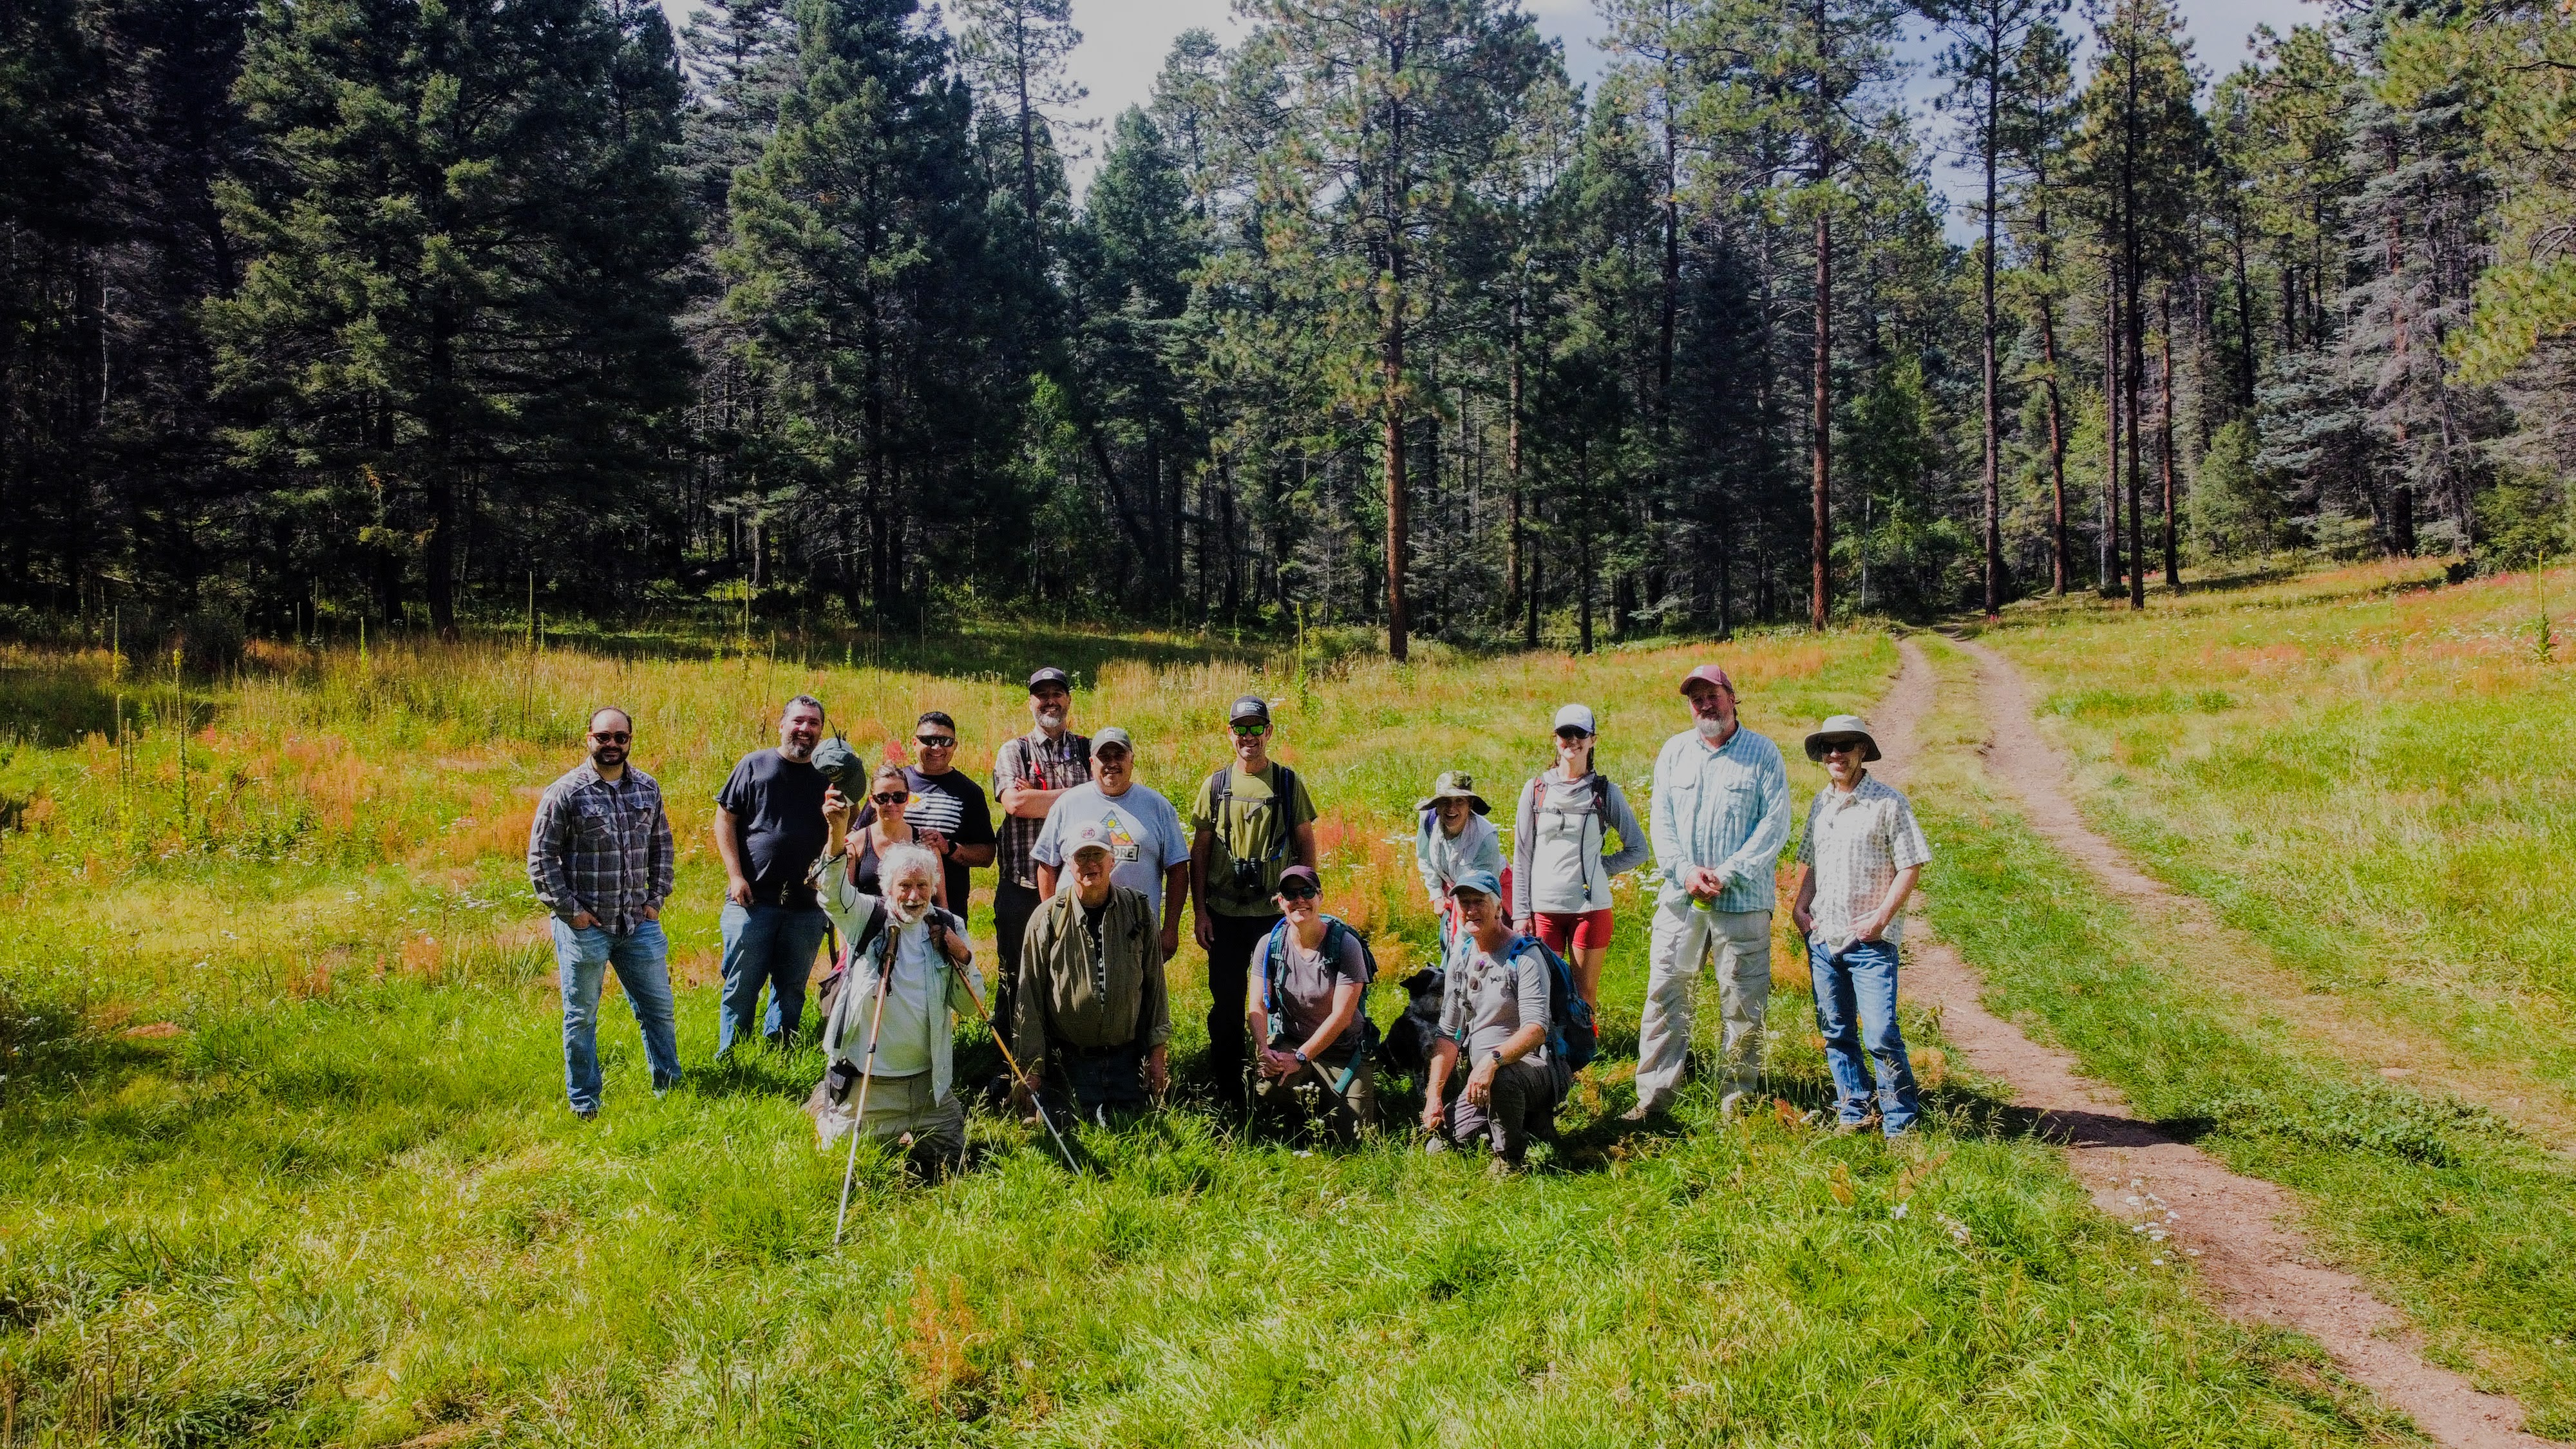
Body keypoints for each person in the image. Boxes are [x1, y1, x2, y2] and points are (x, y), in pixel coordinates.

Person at [1631, 665, 1792, 1121]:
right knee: (1666, 997)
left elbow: (1775, 825)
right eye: (1696, 698)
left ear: (1732, 697)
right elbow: (1661, 822)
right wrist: (1684, 872)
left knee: (1743, 1004)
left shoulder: (1763, 753)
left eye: (1713, 694)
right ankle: (1654, 1100)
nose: (1705, 704)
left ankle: (1735, 1104)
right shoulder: (1674, 752)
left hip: (1741, 904)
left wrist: (1728, 873)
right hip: (1680, 903)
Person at [527, 706, 680, 1120]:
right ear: (589, 738)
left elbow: (662, 847)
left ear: (630, 740)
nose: (612, 744)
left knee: (659, 1010)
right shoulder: (566, 792)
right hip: (586, 928)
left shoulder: (647, 788)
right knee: (581, 1018)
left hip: (638, 924)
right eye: (604, 737)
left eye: (620, 737)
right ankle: (585, 1102)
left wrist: (655, 901)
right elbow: (542, 858)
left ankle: (671, 1089)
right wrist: (571, 912)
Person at [1790, 714, 1933, 1138]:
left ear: (1863, 751)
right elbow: (1812, 861)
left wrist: (1881, 918)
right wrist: (1800, 907)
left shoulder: (1888, 803)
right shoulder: (1820, 804)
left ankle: (1900, 1122)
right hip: (1824, 938)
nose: (1836, 754)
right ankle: (1854, 1111)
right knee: (1836, 1031)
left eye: (1845, 746)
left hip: (1870, 941)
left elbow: (1911, 865)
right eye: (1828, 747)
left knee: (1882, 1033)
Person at [809, 842, 982, 1178]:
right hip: (869, 1085)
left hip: (928, 1089)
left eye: (922, 886)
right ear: (888, 887)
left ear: (933, 887)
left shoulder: (950, 925)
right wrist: (835, 834)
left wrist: (963, 956)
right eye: (905, 885)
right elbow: (832, 895)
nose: (914, 896)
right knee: (840, 1162)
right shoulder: (866, 918)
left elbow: (969, 1007)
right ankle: (824, 1103)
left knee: (955, 1161)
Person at [1190, 694, 1318, 1106]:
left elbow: (1305, 846)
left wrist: (1303, 906)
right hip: (1224, 915)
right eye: (1241, 729)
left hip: (1273, 916)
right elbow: (1199, 854)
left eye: (1256, 728)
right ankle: (1229, 1091)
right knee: (1227, 1004)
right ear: (1230, 734)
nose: (1249, 737)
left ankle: (1280, 1088)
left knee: (1280, 1001)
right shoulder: (1215, 786)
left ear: (1269, 732)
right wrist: (1200, 913)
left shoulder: (1287, 783)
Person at [1012, 822, 1171, 1124]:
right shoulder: (1046, 918)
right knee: (1067, 1129)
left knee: (1136, 1132)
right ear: (1068, 864)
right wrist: (1031, 1069)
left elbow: (1155, 987)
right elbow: (1028, 999)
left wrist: (1157, 1055)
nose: (1090, 864)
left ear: (1112, 860)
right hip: (1070, 1060)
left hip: (1127, 1059)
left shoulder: (1138, 911)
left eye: (1097, 855)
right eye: (1081, 856)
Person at [1421, 869, 1566, 1172]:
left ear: (1499, 907)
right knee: (1449, 1137)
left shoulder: (1525, 956)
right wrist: (1433, 1095)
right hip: (1482, 1076)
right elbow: (1448, 1034)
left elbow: (1536, 1029)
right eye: (1464, 902)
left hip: (1535, 1068)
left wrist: (1492, 1061)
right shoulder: (1461, 955)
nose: (1471, 910)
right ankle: (1526, 1121)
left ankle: (1509, 1160)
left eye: (1479, 902)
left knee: (1502, 1078)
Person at [713, 694, 833, 1057]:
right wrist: (735, 876)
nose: (805, 729)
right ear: (782, 725)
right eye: (798, 721)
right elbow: (725, 820)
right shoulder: (754, 765)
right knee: (742, 983)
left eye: (813, 723)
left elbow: (847, 828)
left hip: (808, 904)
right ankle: (733, 1055)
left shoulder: (829, 776)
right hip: (752, 899)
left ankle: (779, 1051)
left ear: (821, 731)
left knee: (791, 986)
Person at [1511, 703, 1647, 1008]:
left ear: (1593, 740)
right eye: (1565, 733)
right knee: (1541, 996)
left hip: (1591, 910)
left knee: (1584, 999)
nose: (1572, 740)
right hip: (1543, 911)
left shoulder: (1605, 792)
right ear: (1555, 739)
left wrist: (1599, 867)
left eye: (1580, 734)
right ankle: (1548, 1042)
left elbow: (1638, 850)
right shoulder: (1535, 790)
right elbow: (1522, 856)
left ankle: (1585, 1041)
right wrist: (1520, 914)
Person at [1032, 726, 1191, 961]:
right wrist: (1052, 921)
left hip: (1137, 931)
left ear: (1132, 760)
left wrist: (1170, 930)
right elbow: (1047, 864)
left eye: (1119, 755)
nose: (1112, 763)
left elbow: (1177, 869)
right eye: (1104, 757)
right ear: (1091, 763)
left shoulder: (1157, 806)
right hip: (1075, 930)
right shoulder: (1068, 804)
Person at [1246, 864, 1378, 1135]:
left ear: (1320, 896)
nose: (1299, 900)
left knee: (1356, 1134)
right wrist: (1264, 1050)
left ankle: (1328, 1102)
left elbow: (1342, 1016)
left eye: (1307, 892)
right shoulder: (1269, 944)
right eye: (1290, 894)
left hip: (1343, 1050)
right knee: (1267, 1088)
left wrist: (1301, 1057)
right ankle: (1304, 1114)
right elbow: (1256, 1005)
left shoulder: (1345, 945)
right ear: (1281, 901)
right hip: (1293, 1040)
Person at [992, 667, 1090, 1028]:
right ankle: (1009, 1053)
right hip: (1022, 885)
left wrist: (1039, 795)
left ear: (1069, 700)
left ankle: (1061, 1049)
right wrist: (1081, 795)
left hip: (1076, 886)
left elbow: (1105, 798)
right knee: (1015, 973)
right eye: (1042, 695)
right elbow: (1016, 804)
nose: (1050, 701)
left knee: (1070, 970)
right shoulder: (1014, 750)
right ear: (1030, 703)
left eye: (1057, 694)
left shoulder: (1089, 750)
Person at [855, 710, 996, 925]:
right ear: (914, 743)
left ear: (955, 746)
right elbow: (859, 840)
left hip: (944, 908)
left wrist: (949, 848)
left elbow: (987, 856)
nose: (937, 747)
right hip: (882, 908)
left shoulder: (969, 792)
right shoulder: (893, 784)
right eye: (928, 740)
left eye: (945, 741)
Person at [1414, 770, 1504, 967]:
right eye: (1445, 801)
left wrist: (1460, 947)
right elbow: (1425, 859)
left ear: (1470, 805)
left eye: (1459, 801)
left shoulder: (1485, 838)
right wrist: (1437, 895)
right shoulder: (1428, 821)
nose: (1451, 808)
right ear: (1437, 805)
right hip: (1455, 891)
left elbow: (1481, 895)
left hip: (1488, 896)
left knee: (1486, 954)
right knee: (1449, 945)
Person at [829, 761, 947, 907]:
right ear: (872, 801)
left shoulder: (926, 843)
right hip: (867, 921)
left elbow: (941, 903)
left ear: (908, 798)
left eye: (898, 797)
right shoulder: (856, 844)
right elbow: (844, 901)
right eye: (883, 798)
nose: (891, 804)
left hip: (916, 921)